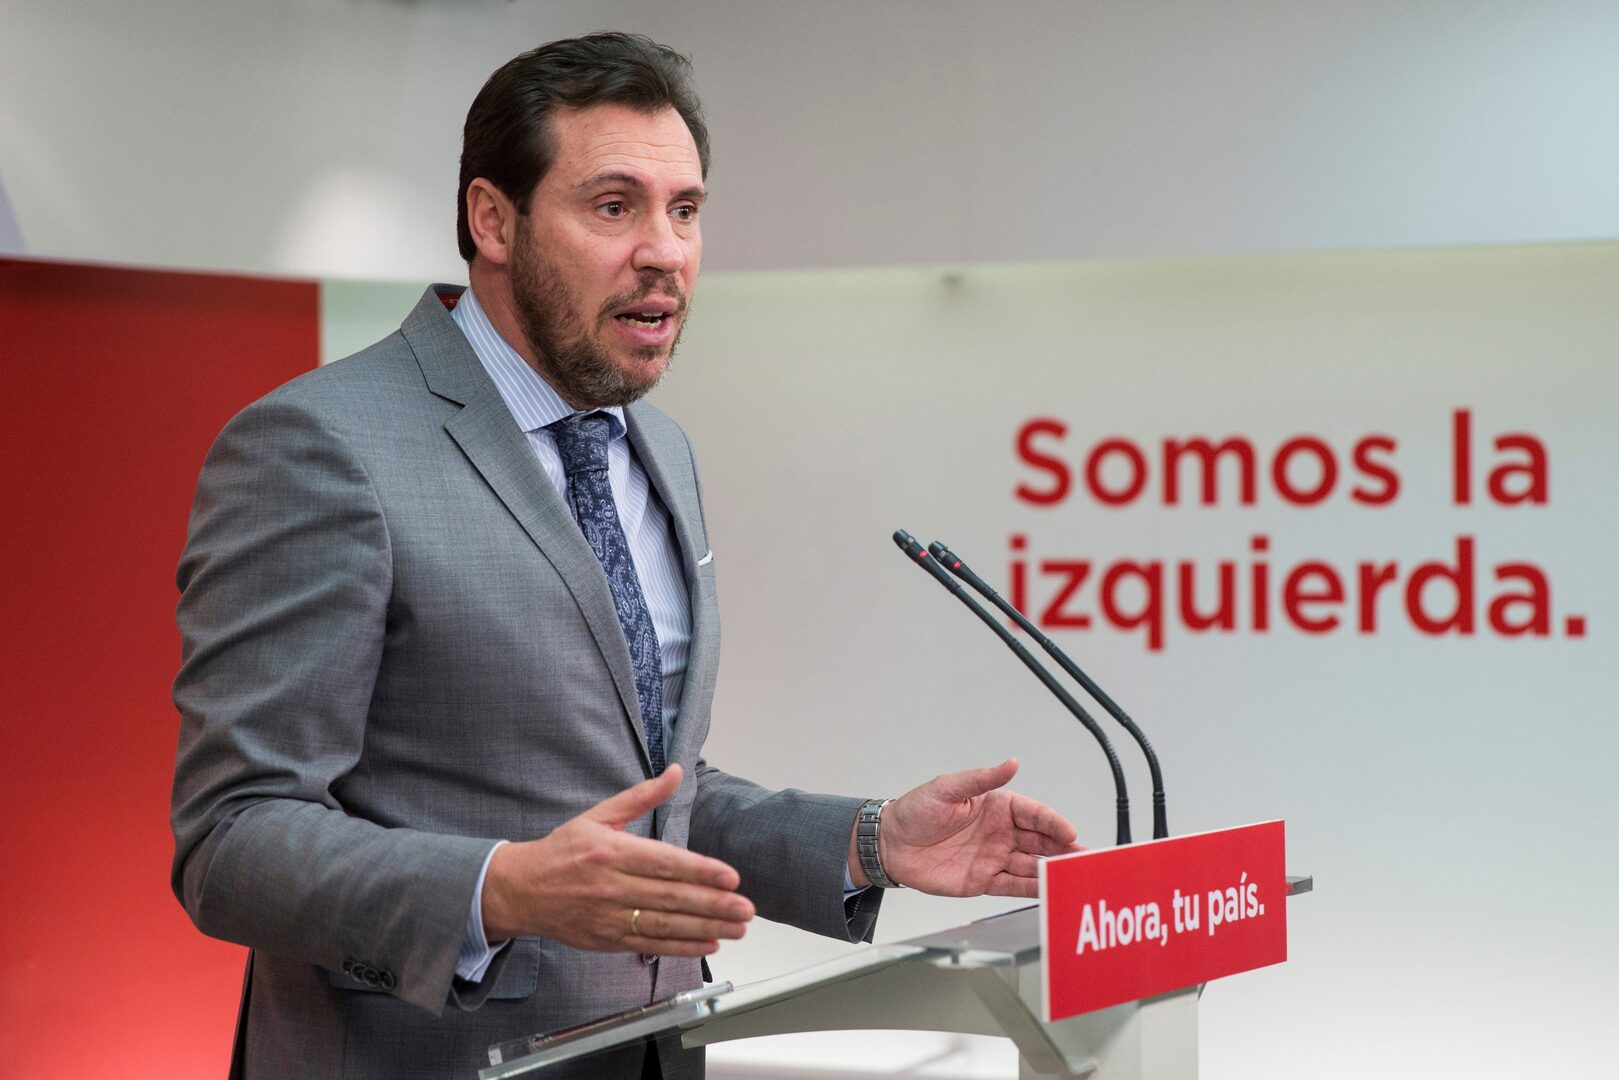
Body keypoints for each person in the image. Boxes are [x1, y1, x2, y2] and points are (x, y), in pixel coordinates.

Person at [170, 32, 1079, 1080]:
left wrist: (870, 841)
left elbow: (654, 793)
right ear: (492, 220)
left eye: (684, 211)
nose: (664, 252)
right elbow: (233, 840)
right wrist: (499, 889)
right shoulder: (322, 446)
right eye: (613, 207)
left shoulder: (658, 449)